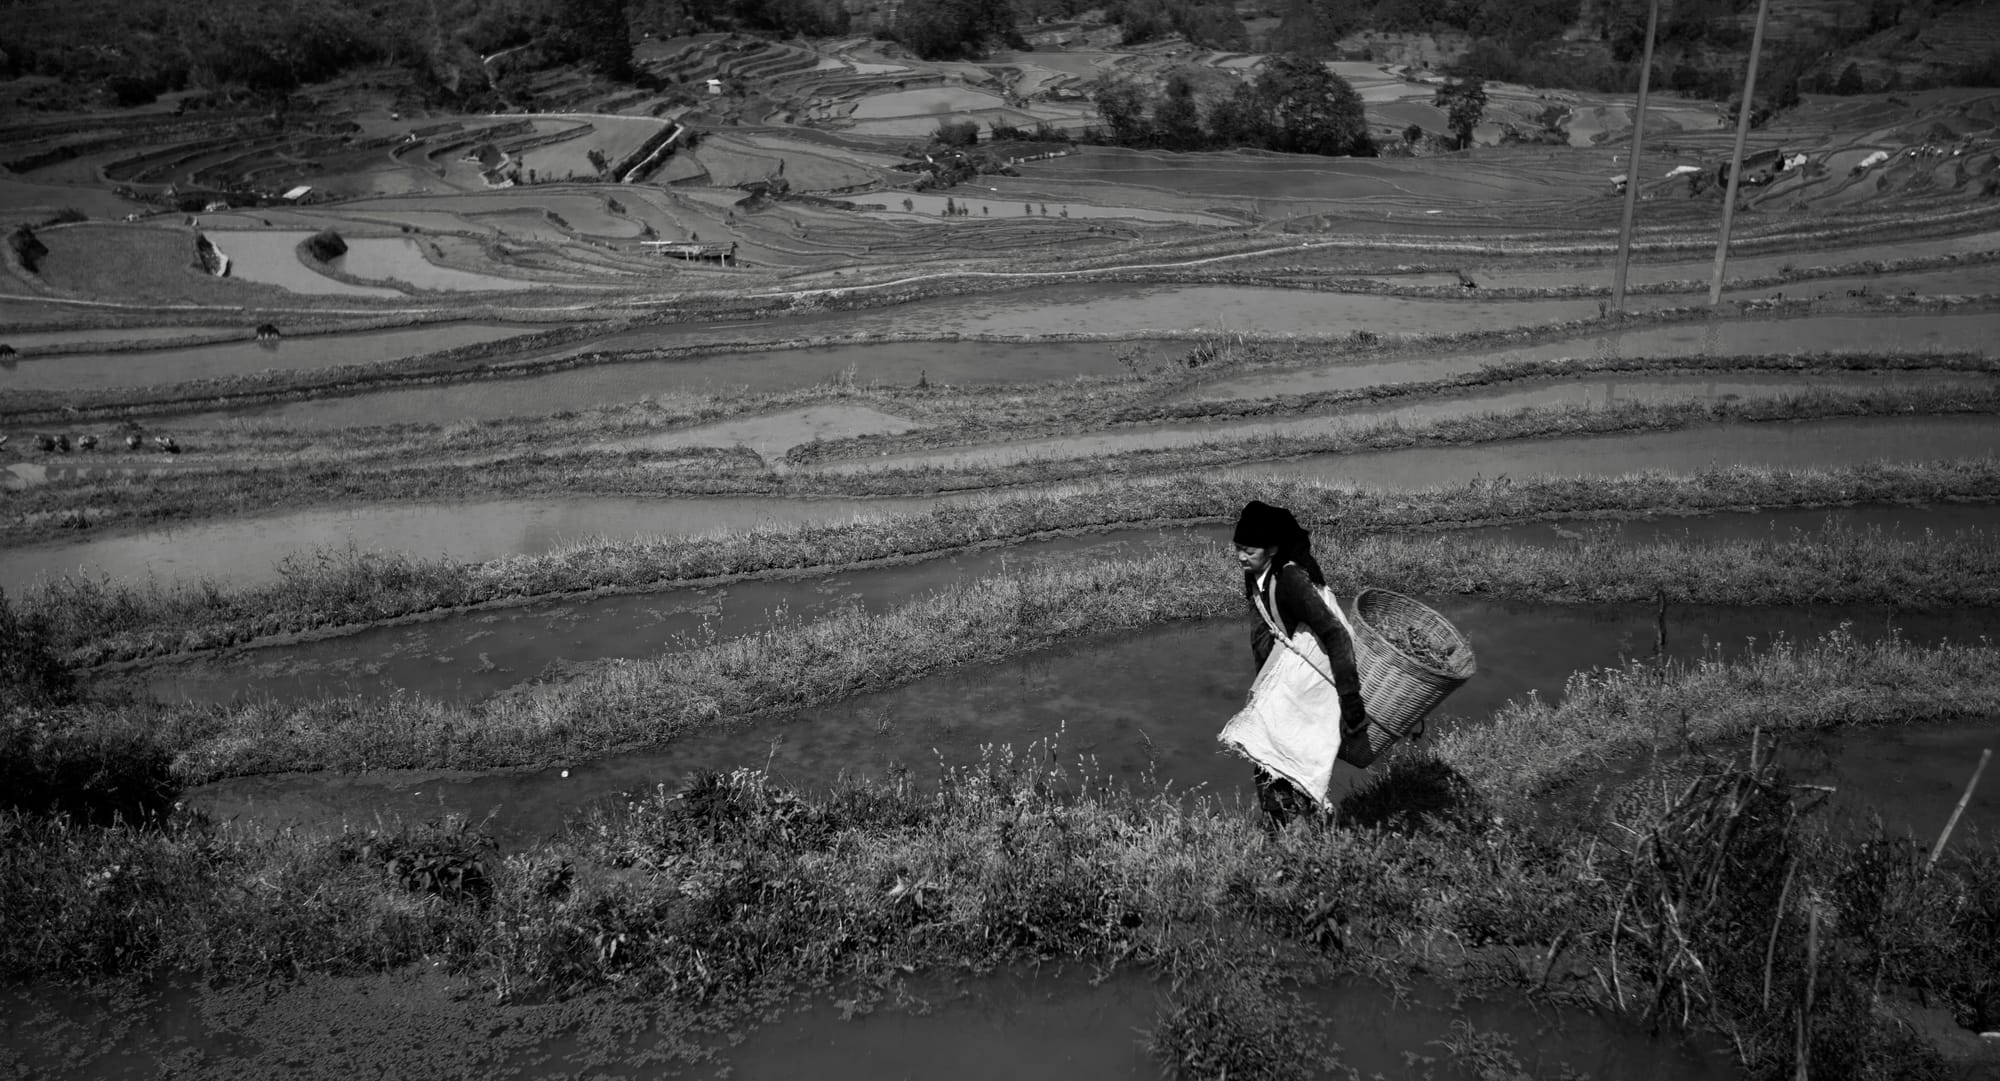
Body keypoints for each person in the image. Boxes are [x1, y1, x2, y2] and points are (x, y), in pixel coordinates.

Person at [1232, 500, 1368, 827]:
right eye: (1237, 548)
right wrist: (1259, 689)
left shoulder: (1291, 581)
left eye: (1249, 550)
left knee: (1272, 760)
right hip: (1287, 681)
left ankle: (1297, 837)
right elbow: (1267, 635)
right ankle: (1300, 831)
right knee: (1274, 761)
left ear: (1273, 549)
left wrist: (1351, 702)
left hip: (1313, 682)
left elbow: (1336, 637)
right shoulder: (1255, 577)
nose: (1240, 557)